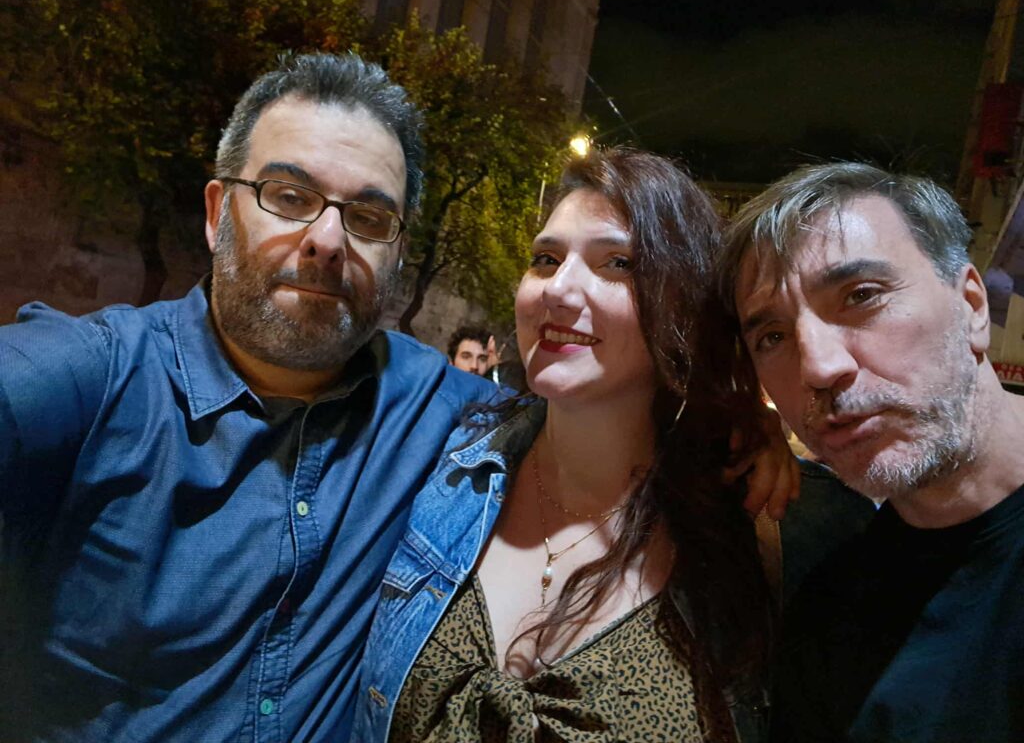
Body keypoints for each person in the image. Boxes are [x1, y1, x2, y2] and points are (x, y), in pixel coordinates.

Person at [0, 53, 496, 742]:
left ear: (398, 253)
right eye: (288, 197)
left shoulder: (437, 409)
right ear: (217, 214)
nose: (328, 240)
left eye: (367, 217)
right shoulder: (96, 378)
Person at [354, 148, 874, 742]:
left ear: (685, 305)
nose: (559, 289)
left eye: (618, 264)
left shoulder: (782, 525)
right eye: (546, 259)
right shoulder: (445, 458)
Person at [721, 162, 1024, 742]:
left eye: (861, 296)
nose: (818, 367)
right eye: (773, 337)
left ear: (972, 307)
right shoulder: (829, 614)